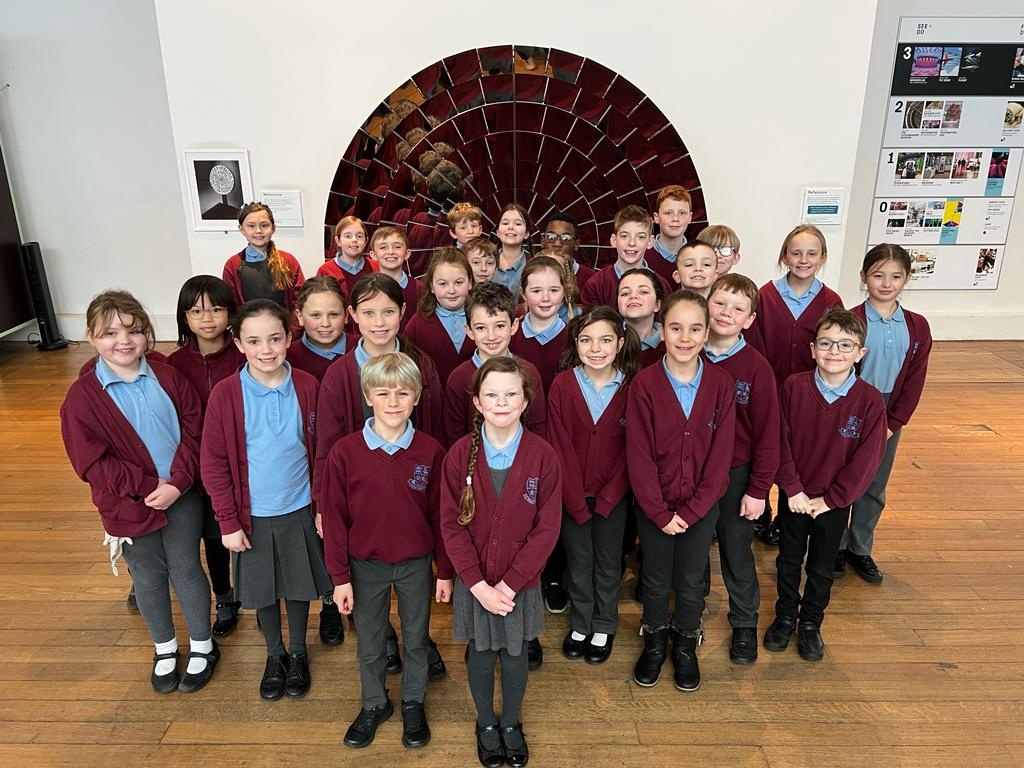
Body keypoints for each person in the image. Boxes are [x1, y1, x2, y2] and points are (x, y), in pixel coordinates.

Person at [61, 290, 217, 693]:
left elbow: (195, 430)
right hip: (126, 504)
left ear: (146, 332)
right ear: (91, 337)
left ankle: (203, 644)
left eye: (133, 330)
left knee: (186, 568)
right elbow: (91, 463)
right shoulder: (81, 397)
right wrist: (148, 486)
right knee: (147, 575)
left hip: (180, 494)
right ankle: (165, 648)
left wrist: (178, 482)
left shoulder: (168, 376)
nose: (123, 340)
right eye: (109, 333)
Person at [313, 273, 447, 678]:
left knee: (413, 583)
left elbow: (434, 432)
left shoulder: (422, 365)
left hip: (409, 494)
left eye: (388, 311)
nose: (379, 322)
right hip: (361, 496)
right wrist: (322, 503)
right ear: (352, 315)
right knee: (368, 580)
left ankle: (419, 642)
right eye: (368, 312)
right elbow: (327, 446)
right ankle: (384, 638)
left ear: (403, 312)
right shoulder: (339, 374)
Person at [202, 299, 333, 700]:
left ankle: (298, 652)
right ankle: (274, 653)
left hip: (299, 508)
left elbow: (322, 453)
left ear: (289, 338)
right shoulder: (226, 394)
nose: (266, 349)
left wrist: (322, 506)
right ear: (238, 343)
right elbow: (213, 463)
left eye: (275, 338)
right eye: (254, 341)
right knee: (262, 589)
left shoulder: (308, 386)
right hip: (252, 515)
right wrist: (227, 521)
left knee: (297, 585)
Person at [320, 352, 451, 750]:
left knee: (416, 638)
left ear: (416, 397)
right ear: (367, 397)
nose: (393, 401)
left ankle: (413, 700)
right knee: (370, 643)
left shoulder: (431, 451)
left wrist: (444, 570)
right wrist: (340, 578)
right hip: (365, 566)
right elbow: (335, 521)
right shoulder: (344, 453)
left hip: (415, 565)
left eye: (402, 393)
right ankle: (375, 703)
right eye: (383, 393)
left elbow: (440, 516)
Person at [440, 357, 562, 768]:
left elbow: (547, 530)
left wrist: (508, 586)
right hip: (475, 584)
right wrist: (478, 586)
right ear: (477, 402)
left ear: (525, 401)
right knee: (480, 653)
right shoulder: (459, 456)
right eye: (491, 394)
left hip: (518, 586)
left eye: (511, 394)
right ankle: (486, 723)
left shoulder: (543, 456)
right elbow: (451, 526)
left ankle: (510, 722)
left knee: (514, 654)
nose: (502, 402)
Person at [627, 290, 736, 692]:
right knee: (655, 578)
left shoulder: (721, 385)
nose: (685, 338)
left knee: (691, 580)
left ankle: (686, 642)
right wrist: (658, 512)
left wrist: (692, 512)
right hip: (654, 507)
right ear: (662, 331)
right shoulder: (644, 384)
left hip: (700, 508)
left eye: (694, 329)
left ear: (707, 333)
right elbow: (638, 456)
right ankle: (655, 640)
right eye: (675, 328)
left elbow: (720, 459)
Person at [766, 309, 886, 662]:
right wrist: (792, 488)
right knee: (788, 559)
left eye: (846, 345)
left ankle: (810, 622)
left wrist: (833, 499)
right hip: (796, 497)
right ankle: (785, 615)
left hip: (833, 504)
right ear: (813, 349)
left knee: (822, 565)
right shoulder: (793, 387)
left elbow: (867, 460)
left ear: (860, 353)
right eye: (826, 343)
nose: (835, 351)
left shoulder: (870, 401)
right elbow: (779, 440)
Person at [547, 307, 640, 665]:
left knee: (608, 562)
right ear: (575, 343)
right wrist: (573, 499)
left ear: (620, 342)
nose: (596, 348)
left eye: (605, 340)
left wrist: (610, 496)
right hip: (572, 496)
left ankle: (604, 623)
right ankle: (581, 622)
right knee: (578, 561)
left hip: (614, 497)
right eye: (586, 340)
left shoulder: (633, 386)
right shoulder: (562, 385)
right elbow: (558, 445)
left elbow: (633, 450)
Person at [838, 244, 931, 583]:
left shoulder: (917, 326)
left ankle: (859, 548)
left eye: (895, 276)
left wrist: (894, 422)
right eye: (878, 275)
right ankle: (835, 546)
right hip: (850, 409)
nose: (887, 283)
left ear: (907, 278)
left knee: (875, 483)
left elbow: (915, 379)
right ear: (864, 277)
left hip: (890, 411)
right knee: (842, 477)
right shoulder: (849, 320)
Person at [747, 224, 843, 545]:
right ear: (785, 257)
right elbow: (755, 346)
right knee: (764, 449)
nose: (803, 260)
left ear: (822, 257)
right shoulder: (765, 296)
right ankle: (761, 511)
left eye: (811, 254)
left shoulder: (831, 301)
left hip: (808, 396)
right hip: (769, 391)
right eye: (796, 253)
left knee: (796, 453)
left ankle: (787, 516)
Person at [702, 274, 780, 665]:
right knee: (694, 548)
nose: (725, 313)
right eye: (719, 303)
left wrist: (758, 489)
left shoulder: (756, 368)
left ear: (749, 320)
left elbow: (768, 436)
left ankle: (745, 622)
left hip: (737, 474)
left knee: (736, 550)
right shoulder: (688, 354)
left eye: (737, 309)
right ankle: (691, 612)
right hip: (694, 473)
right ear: (706, 304)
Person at [167, 276, 245, 638]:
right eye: (196, 311)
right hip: (189, 468)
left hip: (235, 466)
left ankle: (236, 594)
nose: (207, 318)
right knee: (203, 537)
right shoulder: (173, 364)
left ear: (230, 313)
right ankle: (223, 595)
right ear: (185, 317)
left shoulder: (244, 356)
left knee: (222, 533)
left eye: (216, 309)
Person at [444, 282, 547, 448]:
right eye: (481, 328)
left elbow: (538, 429)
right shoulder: (458, 379)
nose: (491, 336)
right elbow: (453, 438)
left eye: (499, 326)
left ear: (514, 326)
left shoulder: (529, 373)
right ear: (469, 331)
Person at [405, 247, 476, 386]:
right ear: (432, 286)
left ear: (470, 283)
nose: (451, 290)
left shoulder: (483, 319)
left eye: (459, 282)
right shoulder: (418, 323)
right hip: (434, 396)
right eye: (443, 284)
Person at [222, 202, 304, 322]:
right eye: (251, 226)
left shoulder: (288, 260)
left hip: (284, 328)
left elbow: (300, 299)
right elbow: (231, 304)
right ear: (242, 229)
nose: (258, 231)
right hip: (249, 329)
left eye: (264, 225)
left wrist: (294, 329)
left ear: (273, 228)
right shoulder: (232, 265)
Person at [580, 205, 672, 309]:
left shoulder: (662, 285)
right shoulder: (595, 285)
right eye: (624, 236)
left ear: (650, 242)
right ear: (614, 240)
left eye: (640, 237)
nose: (632, 243)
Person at [508, 256, 572, 394]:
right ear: (523, 294)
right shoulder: (510, 336)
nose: (545, 298)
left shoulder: (573, 339)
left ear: (564, 292)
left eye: (554, 290)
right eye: (537, 291)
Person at [286, 276, 351, 383]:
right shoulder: (287, 358)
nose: (325, 324)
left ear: (346, 315)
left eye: (333, 314)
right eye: (315, 315)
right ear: (300, 316)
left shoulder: (362, 348)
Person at [368, 226, 420, 329]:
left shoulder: (420, 289)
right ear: (373, 255)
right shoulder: (366, 289)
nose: (391, 252)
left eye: (397, 247)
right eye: (383, 247)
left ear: (407, 253)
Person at [317, 216, 379, 295]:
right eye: (348, 236)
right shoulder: (325, 271)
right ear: (338, 241)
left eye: (359, 236)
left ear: (366, 241)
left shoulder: (376, 267)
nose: (354, 240)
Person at [617, 268, 665, 368]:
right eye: (625, 293)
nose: (633, 296)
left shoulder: (671, 342)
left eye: (643, 292)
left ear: (657, 305)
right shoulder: (608, 341)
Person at [541, 212, 596, 296]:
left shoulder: (591, 279)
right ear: (542, 241)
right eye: (551, 237)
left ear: (576, 244)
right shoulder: (531, 273)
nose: (557, 244)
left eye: (565, 238)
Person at [649, 185, 694, 286]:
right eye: (668, 213)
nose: (675, 219)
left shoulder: (698, 257)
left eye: (682, 213)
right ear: (656, 217)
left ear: (690, 217)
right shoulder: (642, 257)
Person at [492, 203, 533, 295]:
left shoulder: (534, 266)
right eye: (505, 223)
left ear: (527, 233)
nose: (510, 227)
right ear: (497, 232)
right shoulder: (485, 264)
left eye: (518, 224)